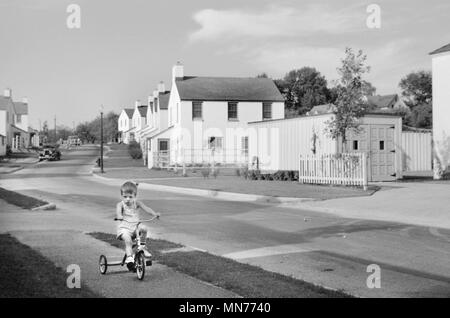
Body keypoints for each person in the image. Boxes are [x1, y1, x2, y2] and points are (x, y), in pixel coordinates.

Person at [116, 181, 160, 270]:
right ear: (122, 196)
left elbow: (147, 209)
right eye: (125, 197)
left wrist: (154, 214)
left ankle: (142, 246)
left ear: (134, 196)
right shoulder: (120, 205)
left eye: (130, 197)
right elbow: (118, 212)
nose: (127, 199)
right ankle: (129, 259)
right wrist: (119, 216)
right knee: (128, 241)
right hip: (125, 228)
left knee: (144, 228)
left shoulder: (137, 203)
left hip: (135, 226)